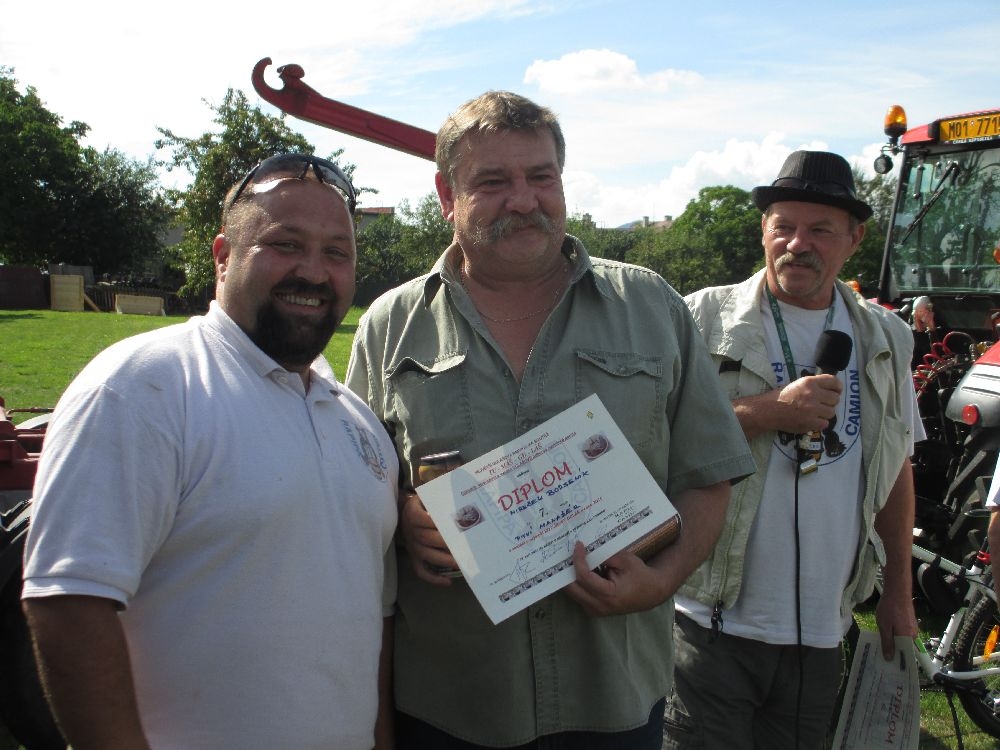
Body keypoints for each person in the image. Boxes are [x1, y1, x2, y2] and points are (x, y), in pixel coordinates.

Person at [345, 90, 755, 749]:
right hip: (452, 703)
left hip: (613, 697)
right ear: (447, 197)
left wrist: (663, 579)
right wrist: (400, 518)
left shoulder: (649, 306)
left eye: (541, 177)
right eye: (493, 181)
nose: (524, 199)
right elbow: (348, 493)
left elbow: (711, 472)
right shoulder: (390, 325)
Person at [21, 154, 399, 750]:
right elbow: (69, 603)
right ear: (223, 256)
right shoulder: (142, 386)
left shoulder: (359, 424)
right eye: (286, 244)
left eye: (337, 252)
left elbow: (370, 622)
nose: (314, 272)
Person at [663, 151, 921, 749]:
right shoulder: (699, 318)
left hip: (822, 632)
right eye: (783, 226)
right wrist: (764, 412)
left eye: (820, 230)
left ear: (854, 239)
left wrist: (900, 593)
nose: (797, 244)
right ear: (763, 231)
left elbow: (895, 469)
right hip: (710, 621)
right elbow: (653, 443)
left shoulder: (887, 337)